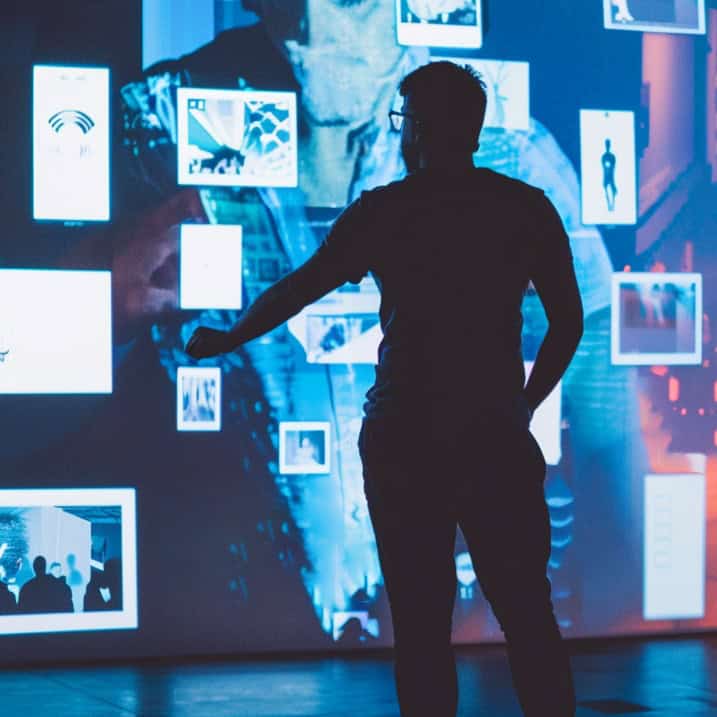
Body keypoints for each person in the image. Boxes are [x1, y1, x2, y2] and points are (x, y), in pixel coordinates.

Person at [187, 61, 583, 717]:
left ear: (418, 128)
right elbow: (568, 322)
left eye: (402, 119)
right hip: (493, 434)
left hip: (405, 437)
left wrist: (231, 336)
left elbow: (299, 287)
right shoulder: (523, 208)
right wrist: (524, 403)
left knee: (421, 622)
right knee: (526, 612)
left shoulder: (387, 211)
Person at [601, 138, 617, 212]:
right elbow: (604, 166)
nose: (607, 146)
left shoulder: (611, 156)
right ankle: (609, 206)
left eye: (608, 144)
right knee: (607, 190)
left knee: (613, 191)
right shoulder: (604, 156)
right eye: (606, 144)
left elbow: (613, 166)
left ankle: (612, 205)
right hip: (606, 176)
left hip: (611, 176)